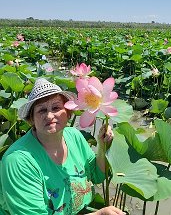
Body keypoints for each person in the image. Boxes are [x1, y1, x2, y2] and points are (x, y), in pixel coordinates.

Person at [0, 78, 125, 215]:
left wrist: (102, 147)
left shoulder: (74, 136)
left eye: (56, 108)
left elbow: (97, 175)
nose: (49, 115)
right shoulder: (18, 161)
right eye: (42, 110)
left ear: (68, 111)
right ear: (31, 119)